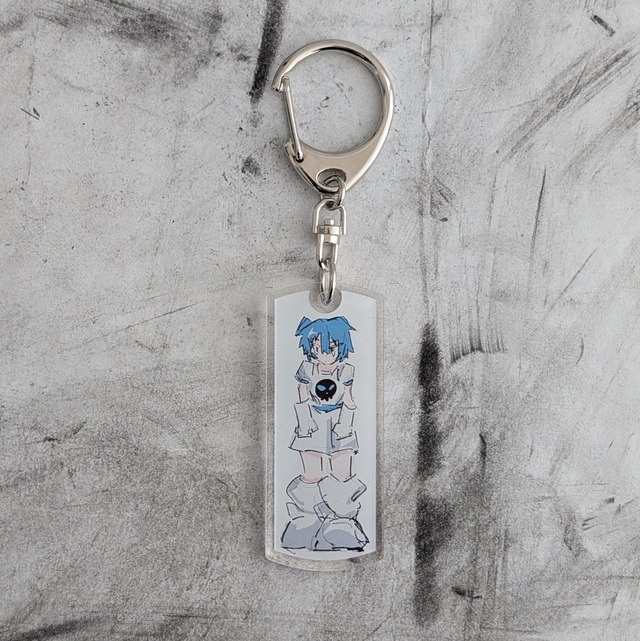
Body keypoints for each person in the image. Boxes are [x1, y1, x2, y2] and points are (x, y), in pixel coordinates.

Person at [281, 316, 368, 552]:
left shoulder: (346, 370)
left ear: (341, 347)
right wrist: (304, 421)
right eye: (318, 348)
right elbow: (301, 395)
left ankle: (341, 524)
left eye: (331, 348)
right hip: (311, 422)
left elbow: (348, 399)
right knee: (312, 475)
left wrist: (346, 423)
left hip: (339, 422)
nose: (324, 354)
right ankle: (307, 521)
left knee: (342, 474)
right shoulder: (307, 368)